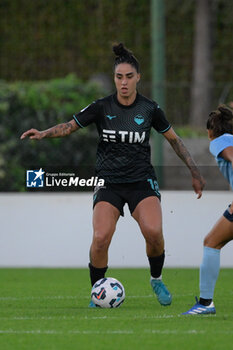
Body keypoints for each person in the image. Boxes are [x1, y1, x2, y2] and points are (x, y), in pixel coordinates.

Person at [21, 43, 205, 308]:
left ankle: (156, 278)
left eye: (129, 77)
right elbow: (69, 127)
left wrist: (195, 171)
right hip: (108, 182)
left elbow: (174, 141)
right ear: (114, 79)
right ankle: (98, 292)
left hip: (141, 181)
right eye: (119, 77)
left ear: (138, 78)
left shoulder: (150, 109)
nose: (124, 82)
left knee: (153, 232)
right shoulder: (101, 107)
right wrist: (43, 133)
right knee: (100, 238)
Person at [182, 105, 233, 315]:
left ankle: (205, 304)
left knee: (211, 242)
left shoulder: (219, 141)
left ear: (211, 130)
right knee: (211, 241)